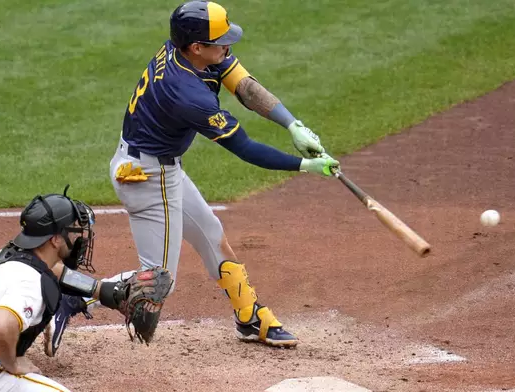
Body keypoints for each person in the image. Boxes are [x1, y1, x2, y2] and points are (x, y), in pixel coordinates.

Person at [47, 0, 341, 352]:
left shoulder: (190, 50)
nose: (228, 47)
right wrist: (304, 166)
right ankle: (73, 297)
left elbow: (245, 86)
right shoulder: (187, 93)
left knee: (211, 234)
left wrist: (292, 123)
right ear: (197, 46)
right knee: (158, 282)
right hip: (149, 177)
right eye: (221, 42)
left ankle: (249, 316)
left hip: (155, 166)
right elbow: (245, 148)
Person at [0, 189, 170, 391]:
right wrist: (13, 364)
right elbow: (0, 328)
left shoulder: (5, 257)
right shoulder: (31, 282)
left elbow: (55, 271)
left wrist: (104, 291)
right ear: (56, 240)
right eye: (75, 230)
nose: (80, 236)